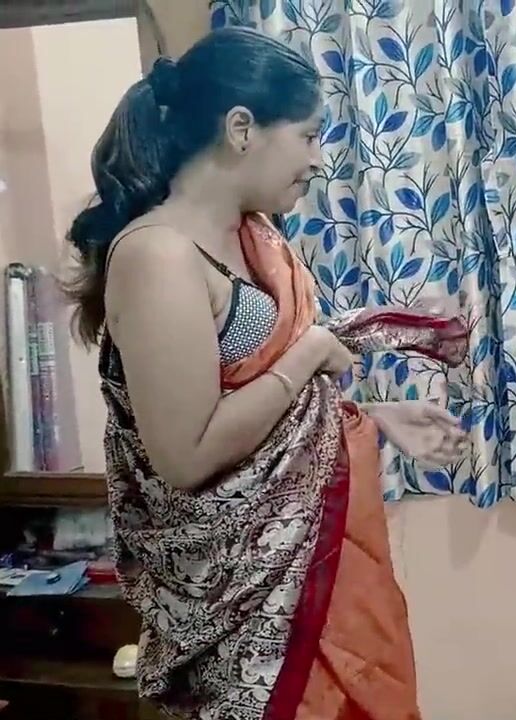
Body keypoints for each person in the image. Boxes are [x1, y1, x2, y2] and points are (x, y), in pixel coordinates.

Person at [64, 28, 468, 719]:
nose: (318, 159)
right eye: (308, 136)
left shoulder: (255, 239)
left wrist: (371, 420)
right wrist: (310, 352)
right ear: (241, 129)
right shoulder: (159, 256)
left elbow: (266, 400)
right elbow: (188, 455)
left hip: (310, 574)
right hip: (243, 614)